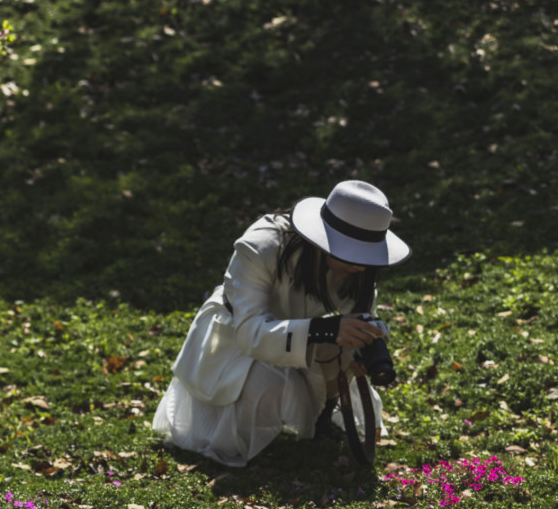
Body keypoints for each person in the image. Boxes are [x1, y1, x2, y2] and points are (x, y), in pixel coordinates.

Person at [152, 180, 411, 467]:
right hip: (235, 338)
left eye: (367, 254)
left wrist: (364, 343)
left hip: (295, 333)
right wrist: (326, 330)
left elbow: (360, 316)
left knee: (347, 349)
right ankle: (253, 428)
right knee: (268, 389)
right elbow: (249, 332)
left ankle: (321, 419)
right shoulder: (261, 246)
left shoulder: (358, 268)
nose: (361, 265)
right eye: (353, 252)